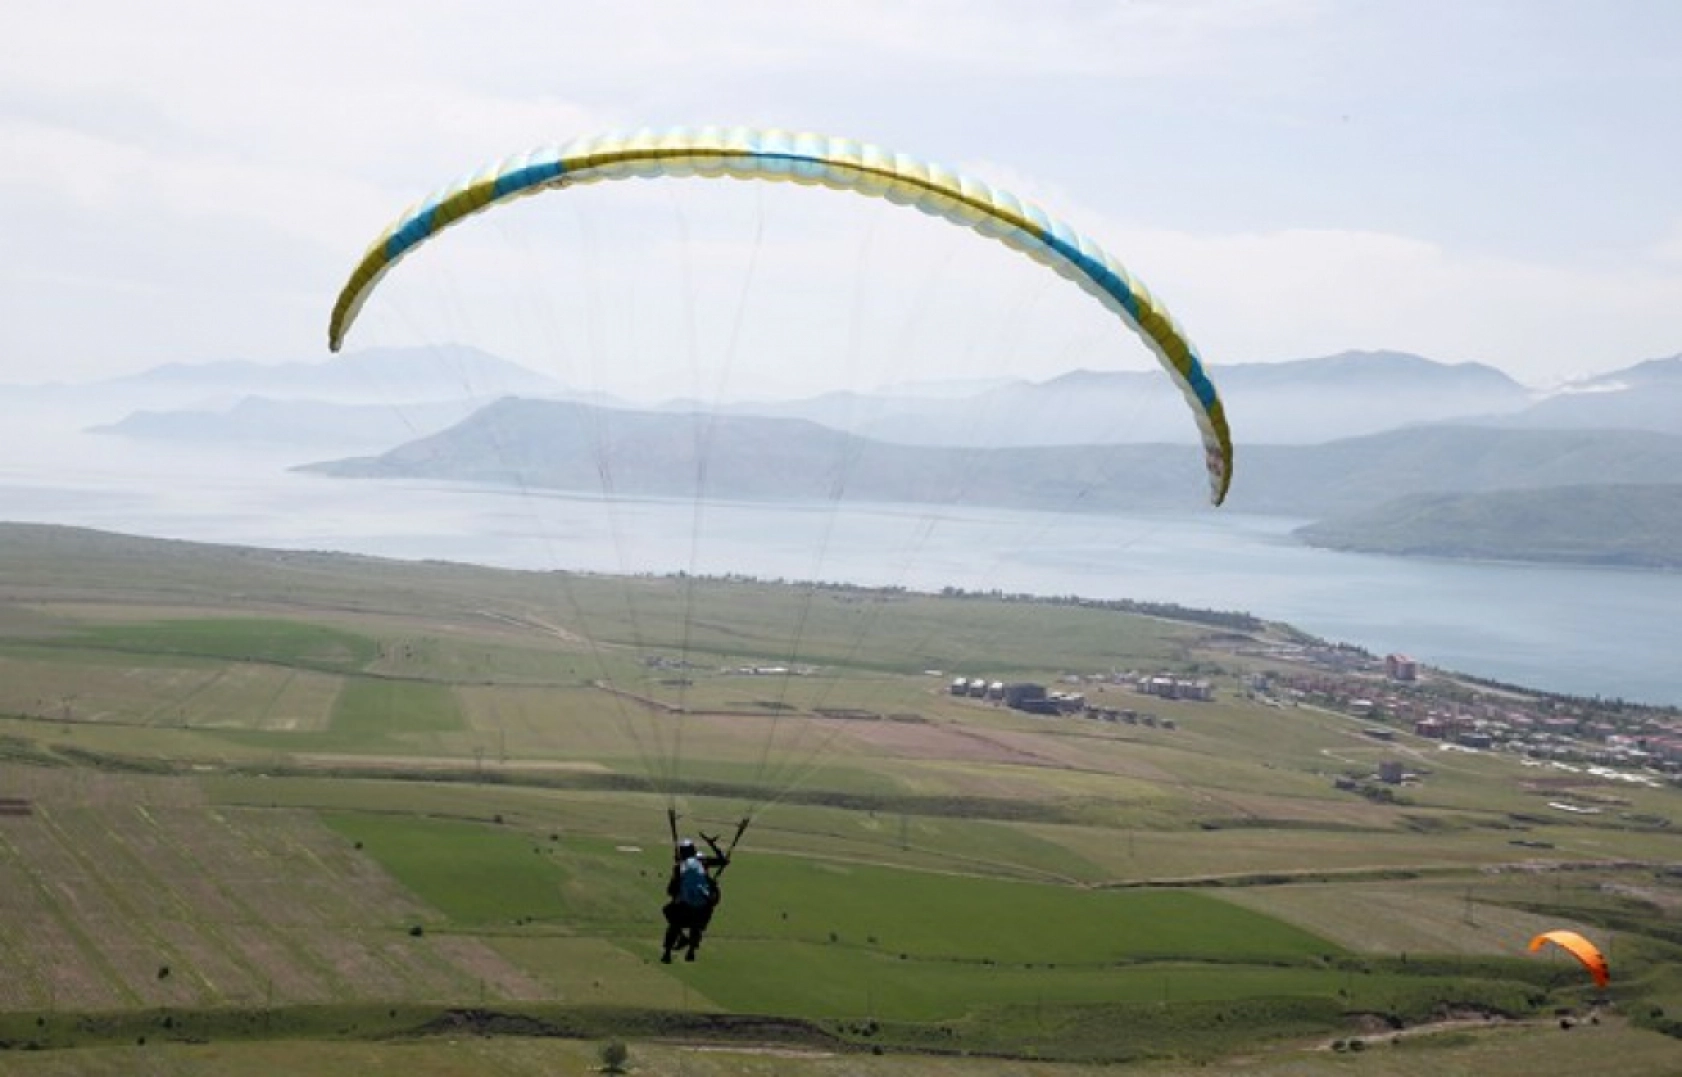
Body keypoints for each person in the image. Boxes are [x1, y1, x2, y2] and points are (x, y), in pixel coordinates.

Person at [661, 835, 728, 963]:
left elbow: (671, 890)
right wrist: (713, 845)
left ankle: (668, 953)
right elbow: (723, 861)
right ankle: (691, 952)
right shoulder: (703, 862)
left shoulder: (680, 867)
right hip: (702, 907)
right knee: (697, 926)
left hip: (686, 907)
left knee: (672, 920)